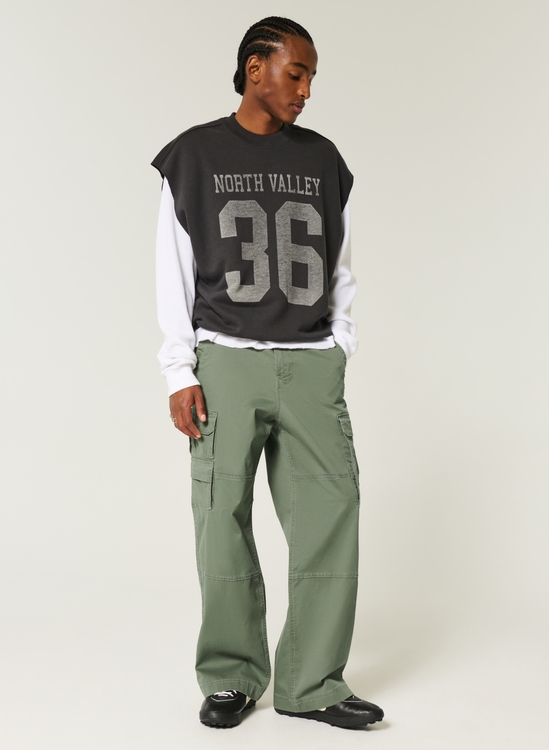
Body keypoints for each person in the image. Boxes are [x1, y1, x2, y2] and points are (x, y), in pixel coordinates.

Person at [151, 16, 383, 730]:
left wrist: (340, 343)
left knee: (331, 512)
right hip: (225, 359)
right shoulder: (194, 155)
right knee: (220, 515)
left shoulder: (324, 160)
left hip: (310, 363)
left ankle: (312, 682)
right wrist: (178, 369)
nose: (306, 90)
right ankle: (232, 675)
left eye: (311, 77)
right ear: (256, 68)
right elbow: (172, 266)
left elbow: (340, 263)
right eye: (295, 72)